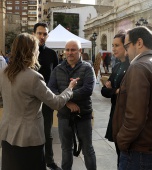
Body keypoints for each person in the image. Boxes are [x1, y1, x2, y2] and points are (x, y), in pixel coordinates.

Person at [0, 33, 79, 170]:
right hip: (29, 140)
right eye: (36, 49)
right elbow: (56, 103)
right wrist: (69, 89)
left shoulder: (4, 72)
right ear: (30, 52)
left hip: (7, 135)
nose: (37, 52)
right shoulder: (33, 77)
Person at [112, 26, 152, 170]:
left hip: (140, 150)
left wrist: (122, 141)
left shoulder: (138, 66)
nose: (126, 51)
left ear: (139, 43)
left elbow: (135, 117)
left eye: (127, 46)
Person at [48, 39, 97, 170]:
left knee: (87, 149)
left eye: (73, 50)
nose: (69, 53)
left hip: (83, 115)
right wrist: (67, 102)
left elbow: (88, 89)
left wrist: (67, 95)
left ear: (80, 51)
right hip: (64, 115)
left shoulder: (87, 68)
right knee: (66, 149)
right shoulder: (58, 69)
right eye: (67, 50)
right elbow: (51, 89)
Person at [33, 22, 60, 170]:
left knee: (47, 133)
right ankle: (35, 161)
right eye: (39, 33)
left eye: (45, 34)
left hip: (47, 99)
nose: (42, 36)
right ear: (34, 34)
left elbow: (56, 76)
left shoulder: (52, 54)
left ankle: (49, 161)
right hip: (29, 101)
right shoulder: (27, 53)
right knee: (31, 133)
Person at [101, 32, 129, 168]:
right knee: (119, 152)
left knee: (125, 154)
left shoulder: (132, 67)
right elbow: (104, 91)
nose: (113, 49)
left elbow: (127, 93)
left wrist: (113, 89)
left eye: (117, 45)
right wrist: (115, 91)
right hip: (115, 112)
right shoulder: (117, 67)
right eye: (113, 45)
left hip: (126, 115)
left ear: (127, 46)